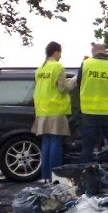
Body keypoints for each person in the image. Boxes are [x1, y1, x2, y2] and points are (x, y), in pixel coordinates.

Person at [76, 43, 108, 169]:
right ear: (105, 52)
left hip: (90, 112)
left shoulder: (86, 64)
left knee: (87, 147)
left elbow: (78, 82)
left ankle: (85, 177)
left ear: (93, 53)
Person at [31, 41, 76, 183]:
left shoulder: (40, 69)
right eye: (60, 53)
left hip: (42, 109)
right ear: (56, 52)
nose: (60, 56)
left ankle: (45, 177)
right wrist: (74, 80)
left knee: (46, 143)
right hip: (56, 108)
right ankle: (56, 177)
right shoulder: (57, 67)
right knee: (56, 142)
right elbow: (63, 88)